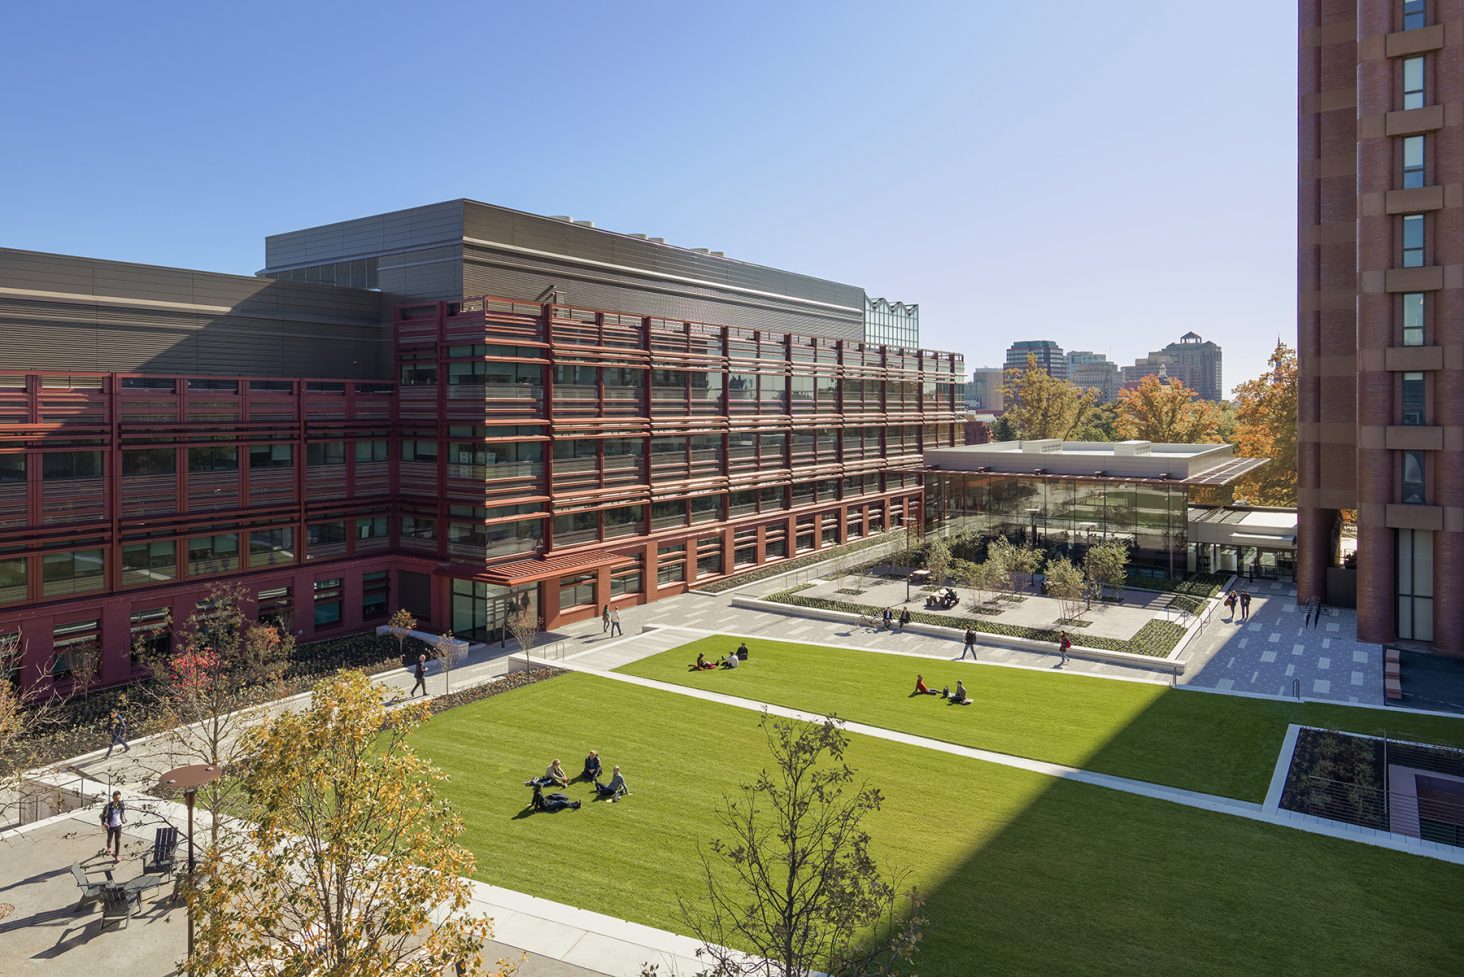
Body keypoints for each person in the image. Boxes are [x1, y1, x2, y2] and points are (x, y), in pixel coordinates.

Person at [100, 790, 126, 863]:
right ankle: (109, 848)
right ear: (113, 798)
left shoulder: (121, 804)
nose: (117, 800)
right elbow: (102, 816)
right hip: (110, 826)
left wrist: (122, 806)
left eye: (118, 799)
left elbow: (123, 811)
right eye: (115, 799)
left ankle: (117, 855)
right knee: (109, 839)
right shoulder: (108, 806)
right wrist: (104, 823)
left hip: (118, 825)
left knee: (117, 840)